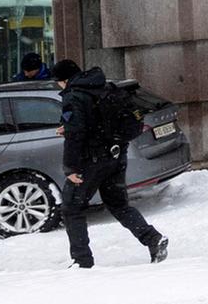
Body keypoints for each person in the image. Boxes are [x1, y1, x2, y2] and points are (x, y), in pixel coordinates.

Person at [53, 59, 168, 269]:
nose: (60, 87)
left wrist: (71, 167)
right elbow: (99, 121)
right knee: (119, 205)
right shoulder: (104, 87)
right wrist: (69, 127)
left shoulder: (74, 96)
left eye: (59, 83)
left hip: (91, 160)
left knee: (71, 208)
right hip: (116, 157)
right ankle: (153, 239)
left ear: (65, 80)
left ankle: (82, 262)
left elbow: (77, 132)